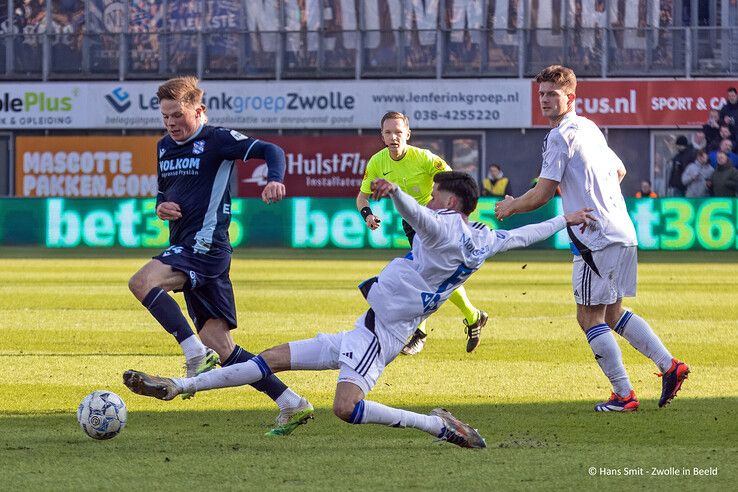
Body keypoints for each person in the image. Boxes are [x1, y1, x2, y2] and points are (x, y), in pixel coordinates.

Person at [123, 171, 596, 448]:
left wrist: (397, 196)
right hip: (364, 328)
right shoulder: (484, 238)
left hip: (381, 336)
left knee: (345, 409)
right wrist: (565, 218)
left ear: (451, 200)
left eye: (435, 193)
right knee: (267, 359)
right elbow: (523, 236)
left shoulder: (446, 228)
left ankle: (438, 427)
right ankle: (179, 386)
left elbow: (422, 216)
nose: (431, 198)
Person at [495, 65, 689, 412]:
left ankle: (624, 394)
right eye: (541, 94)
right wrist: (598, 194)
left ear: (570, 97)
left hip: (594, 236)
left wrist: (510, 207)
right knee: (612, 312)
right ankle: (670, 366)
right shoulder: (589, 127)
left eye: (552, 94)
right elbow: (619, 170)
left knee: (588, 317)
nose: (544, 100)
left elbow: (541, 194)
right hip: (622, 230)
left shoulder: (559, 135)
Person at [127, 76, 313, 436]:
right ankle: (291, 402)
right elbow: (164, 191)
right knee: (223, 348)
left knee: (141, 282)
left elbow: (272, 150)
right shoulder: (164, 146)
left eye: (177, 115)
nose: (171, 124)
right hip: (188, 244)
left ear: (199, 111)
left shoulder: (217, 139)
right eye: (165, 117)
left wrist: (273, 179)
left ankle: (194, 355)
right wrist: (160, 206)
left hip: (206, 246)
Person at [356, 111, 487, 356]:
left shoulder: (425, 158)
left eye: (398, 132)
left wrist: (443, 206)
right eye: (388, 132)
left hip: (435, 219)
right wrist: (368, 215)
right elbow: (362, 197)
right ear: (382, 136)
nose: (393, 137)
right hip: (411, 222)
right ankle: (473, 316)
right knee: (431, 273)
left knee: (425, 273)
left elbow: (453, 181)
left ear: (407, 134)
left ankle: (421, 333)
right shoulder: (377, 162)